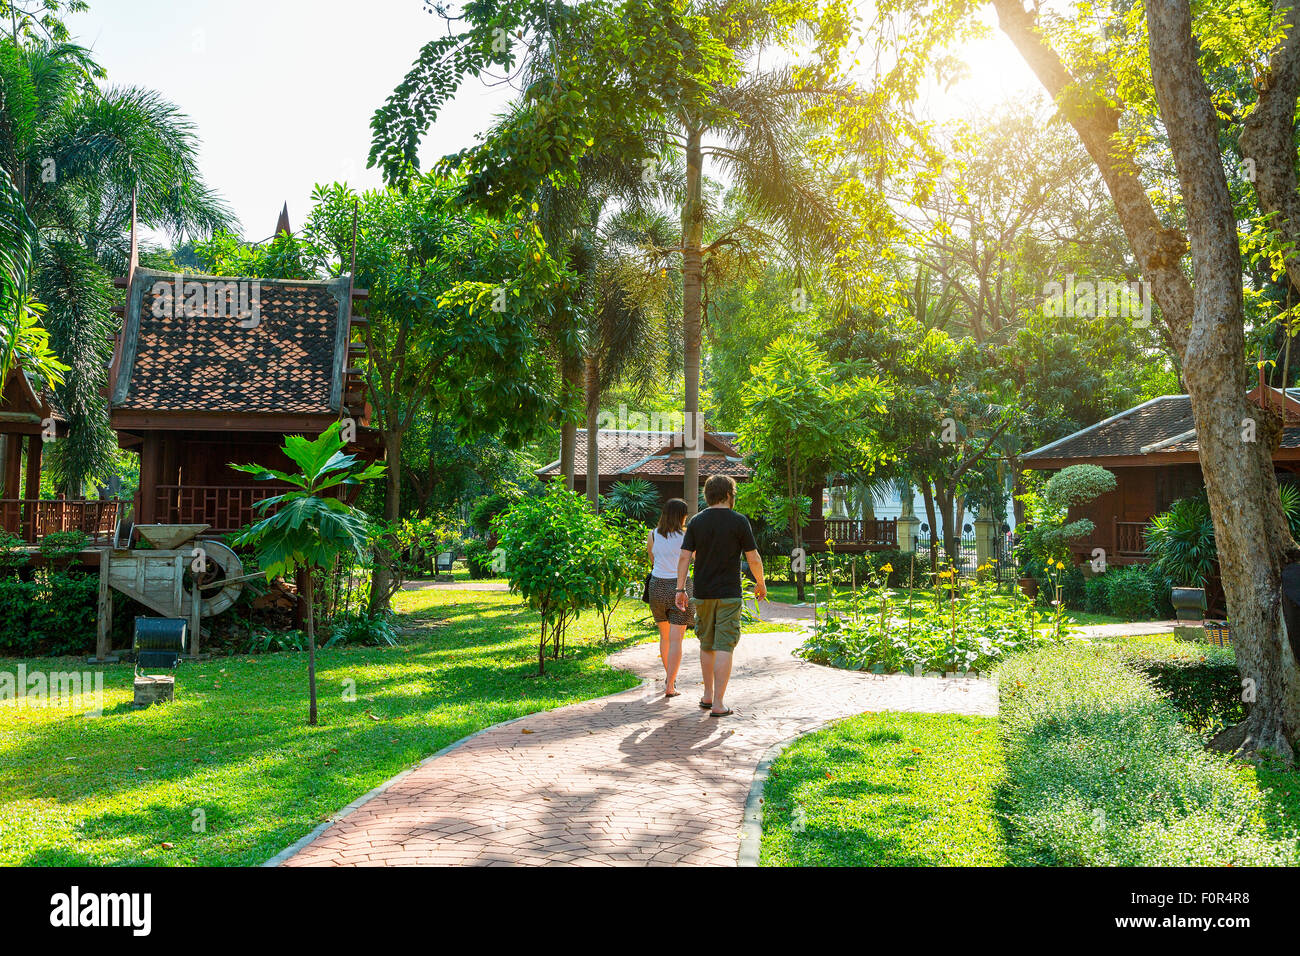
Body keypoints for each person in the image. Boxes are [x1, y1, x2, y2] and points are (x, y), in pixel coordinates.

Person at [675, 475, 767, 717]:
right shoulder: (739, 521)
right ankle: (718, 703)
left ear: (708, 494)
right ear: (729, 494)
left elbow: (684, 556)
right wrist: (761, 583)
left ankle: (707, 695)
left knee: (706, 643)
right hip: (729, 593)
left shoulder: (696, 521)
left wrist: (680, 588)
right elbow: (753, 557)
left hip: (703, 593)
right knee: (724, 644)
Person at [647, 498, 692, 697]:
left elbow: (652, 559)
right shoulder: (686, 535)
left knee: (664, 637)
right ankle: (670, 685)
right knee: (676, 640)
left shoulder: (653, 534)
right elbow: (694, 558)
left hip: (656, 586)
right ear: (682, 515)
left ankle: (669, 678)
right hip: (679, 587)